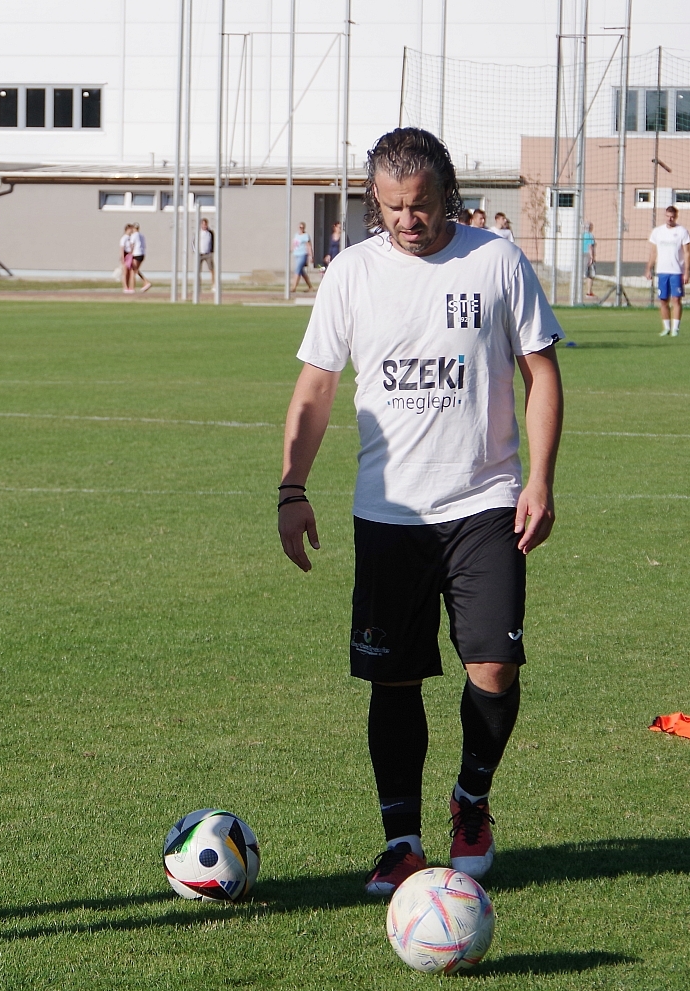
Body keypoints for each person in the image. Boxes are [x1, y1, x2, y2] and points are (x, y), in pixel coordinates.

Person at [278, 127, 564, 898]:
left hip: (484, 501)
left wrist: (539, 481)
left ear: (449, 196)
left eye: (422, 205)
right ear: (376, 202)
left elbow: (541, 373)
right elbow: (315, 388)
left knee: (494, 667)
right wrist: (292, 488)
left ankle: (471, 799)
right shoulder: (352, 273)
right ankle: (401, 841)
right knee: (394, 680)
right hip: (388, 513)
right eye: (393, 206)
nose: (408, 220)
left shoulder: (496, 260)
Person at [647, 205, 690, 336]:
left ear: (676, 217)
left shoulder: (682, 231)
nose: (669, 219)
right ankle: (666, 328)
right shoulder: (657, 232)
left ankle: (675, 329)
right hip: (662, 271)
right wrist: (649, 268)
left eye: (672, 217)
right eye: (667, 216)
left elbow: (687, 253)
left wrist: (687, 271)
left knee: (676, 300)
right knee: (663, 300)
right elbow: (653, 252)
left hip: (676, 271)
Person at [292, 221, 314, 292]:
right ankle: (310, 287)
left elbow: (309, 246)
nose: (301, 228)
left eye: (302, 227)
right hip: (296, 254)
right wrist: (291, 249)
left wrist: (311, 256)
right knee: (302, 272)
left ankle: (294, 287)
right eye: (300, 227)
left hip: (303, 254)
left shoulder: (306, 236)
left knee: (297, 270)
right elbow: (294, 244)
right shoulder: (296, 235)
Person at [129, 222, 151, 292]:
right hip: (142, 253)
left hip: (136, 253)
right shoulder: (142, 235)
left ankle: (133, 288)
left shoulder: (134, 235)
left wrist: (130, 254)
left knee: (133, 271)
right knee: (136, 270)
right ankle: (145, 282)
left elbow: (132, 245)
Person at [196, 217, 215, 295]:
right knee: (198, 271)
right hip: (199, 254)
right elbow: (193, 242)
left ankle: (214, 286)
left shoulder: (210, 233)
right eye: (203, 224)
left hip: (208, 254)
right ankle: (198, 286)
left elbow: (213, 242)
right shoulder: (198, 233)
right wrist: (195, 251)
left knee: (212, 269)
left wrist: (212, 251)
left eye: (205, 224)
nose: (204, 226)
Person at [119, 224, 136, 293]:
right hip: (126, 254)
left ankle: (129, 287)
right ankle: (125, 287)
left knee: (130, 272)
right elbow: (122, 248)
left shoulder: (131, 237)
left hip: (130, 255)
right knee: (125, 272)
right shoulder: (124, 238)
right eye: (130, 229)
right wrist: (123, 257)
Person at [581, 221, 596, 297]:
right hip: (587, 255)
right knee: (590, 275)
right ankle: (589, 292)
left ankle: (580, 292)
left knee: (583, 273)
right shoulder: (590, 236)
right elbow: (590, 246)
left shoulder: (581, 235)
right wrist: (592, 257)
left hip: (581, 254)